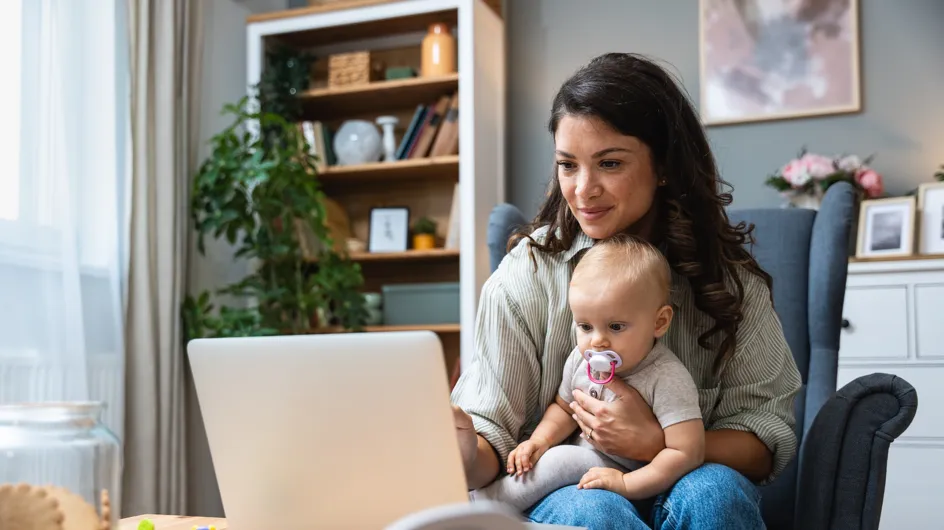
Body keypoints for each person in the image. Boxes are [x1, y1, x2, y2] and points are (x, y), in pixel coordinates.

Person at [450, 52, 801, 530]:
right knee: (593, 510)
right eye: (567, 165)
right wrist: (464, 448)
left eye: (609, 163)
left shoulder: (728, 281)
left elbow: (763, 442)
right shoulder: (525, 276)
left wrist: (658, 441)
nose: (583, 190)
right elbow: (493, 439)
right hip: (571, 489)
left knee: (715, 495)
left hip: (688, 478)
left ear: (663, 166)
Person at [470, 234, 704, 512]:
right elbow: (564, 407)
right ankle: (488, 503)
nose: (597, 342)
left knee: (561, 460)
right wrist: (539, 441)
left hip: (636, 476)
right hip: (589, 469)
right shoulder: (581, 360)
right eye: (585, 326)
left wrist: (627, 483)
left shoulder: (667, 377)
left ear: (660, 322)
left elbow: (687, 452)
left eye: (616, 327)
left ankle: (488, 506)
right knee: (551, 457)